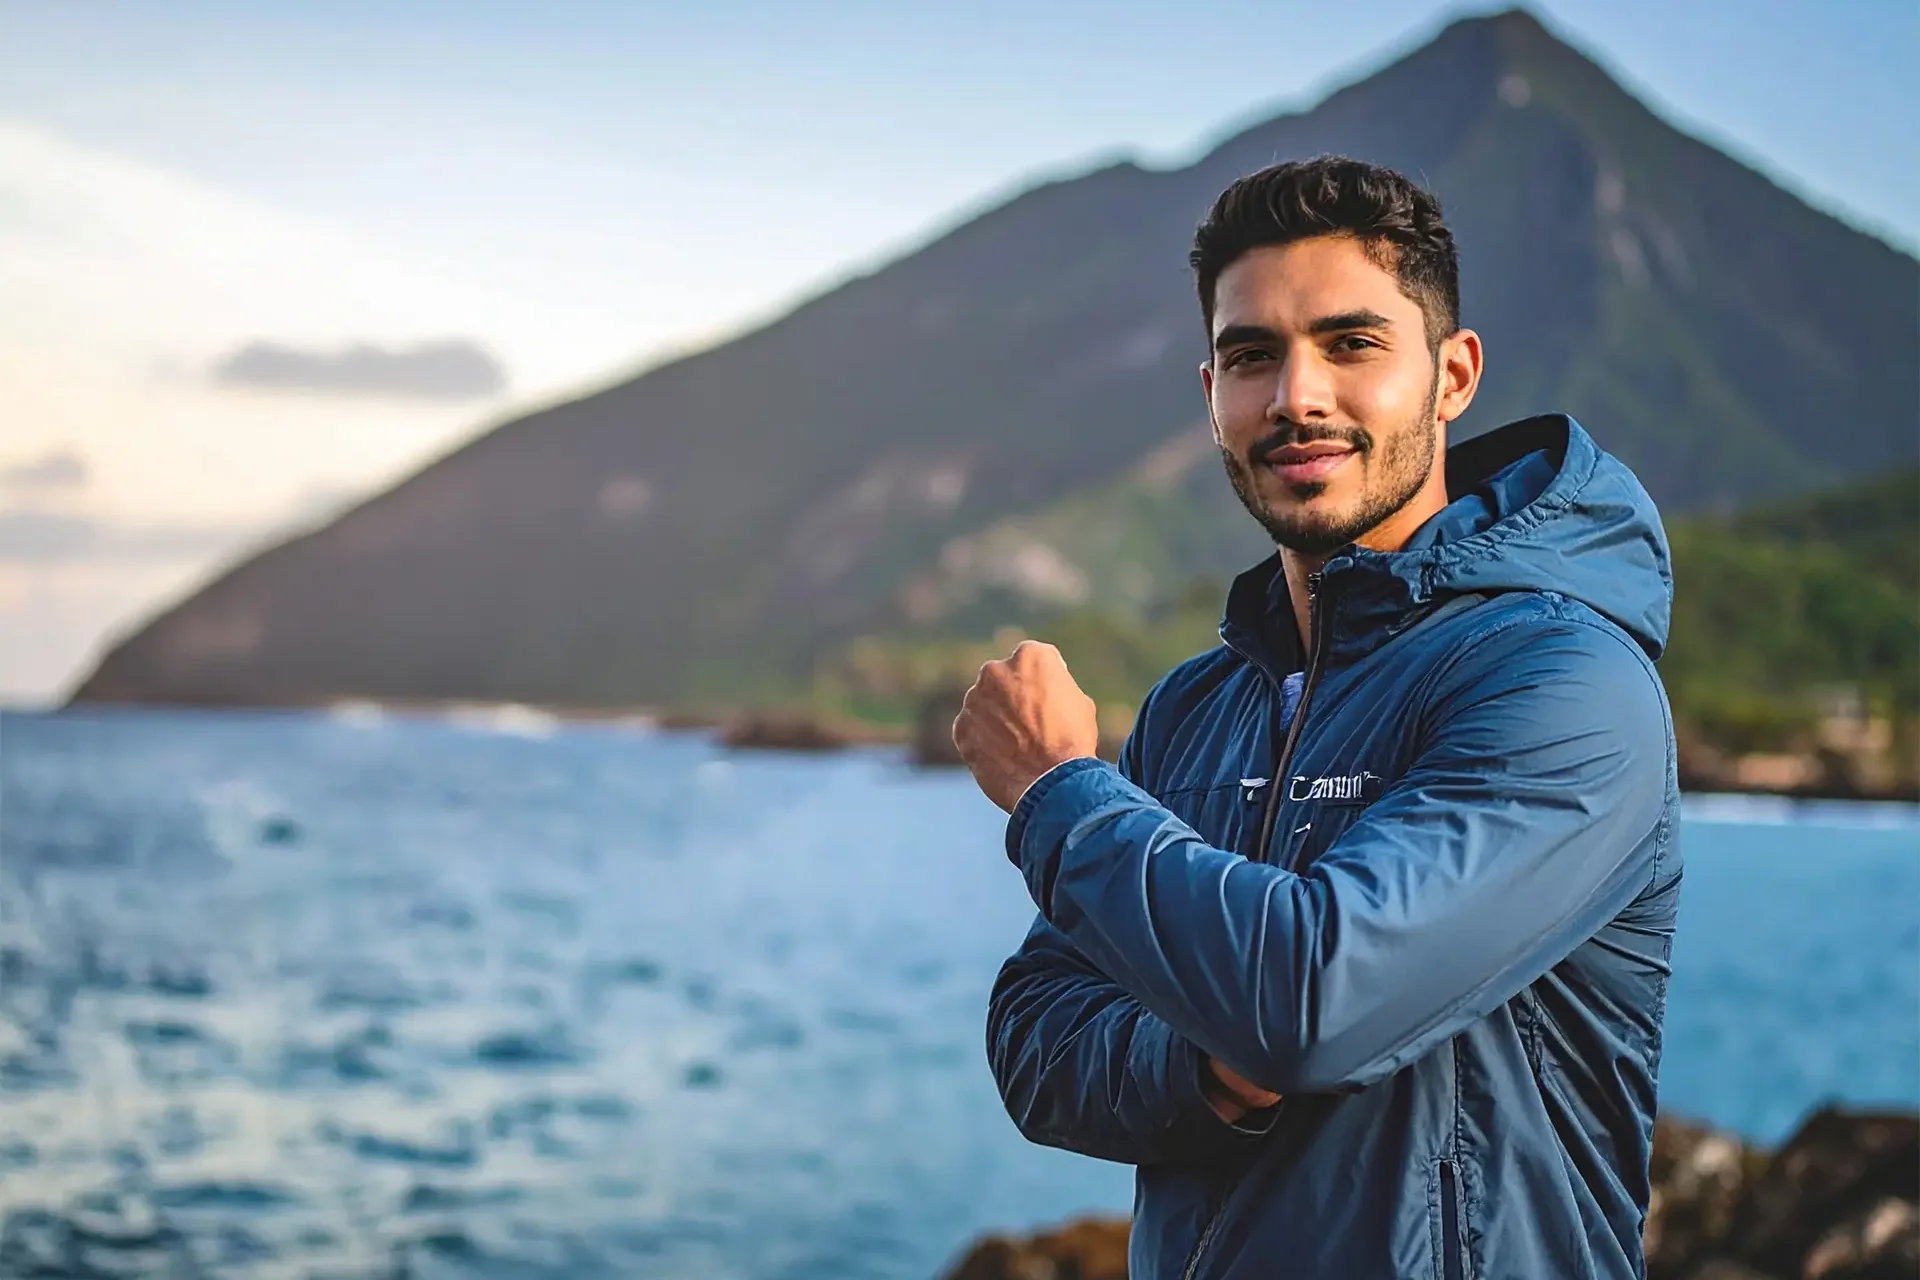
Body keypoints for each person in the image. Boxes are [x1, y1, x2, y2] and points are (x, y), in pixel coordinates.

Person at [952, 156, 1680, 1279]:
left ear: (1452, 374)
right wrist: (1203, 1069)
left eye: (1352, 343)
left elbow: (1310, 998)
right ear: (1211, 395)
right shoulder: (1199, 705)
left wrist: (1060, 790)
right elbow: (1037, 1040)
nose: (1297, 395)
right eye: (1253, 355)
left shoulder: (1567, 680)